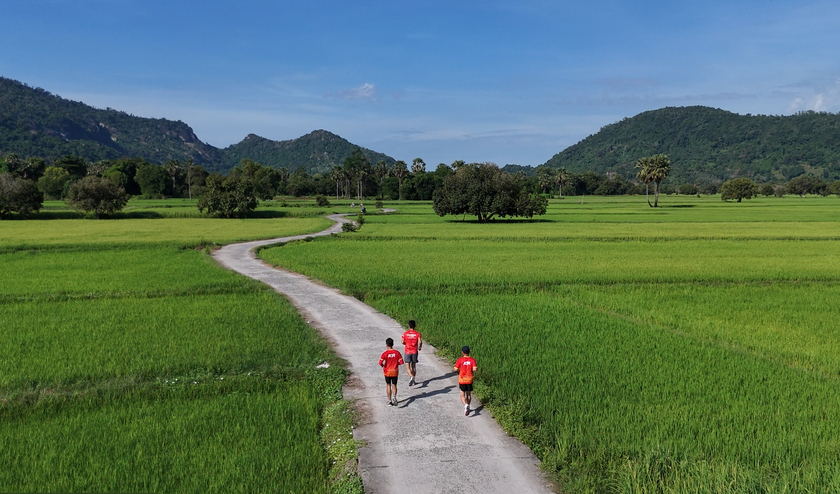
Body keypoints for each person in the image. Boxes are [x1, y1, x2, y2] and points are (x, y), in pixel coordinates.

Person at [379, 337, 404, 406]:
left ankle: (390, 401)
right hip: (395, 371)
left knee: (388, 385)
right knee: (394, 385)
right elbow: (401, 362)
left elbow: (380, 362)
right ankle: (395, 397)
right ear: (393, 344)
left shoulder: (385, 353)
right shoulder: (397, 353)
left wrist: (383, 365)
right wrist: (396, 364)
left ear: (386, 345)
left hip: (387, 372)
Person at [454, 346, 478, 416]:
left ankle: (465, 406)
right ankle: (468, 406)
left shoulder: (460, 360)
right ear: (469, 352)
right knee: (468, 394)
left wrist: (459, 370)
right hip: (469, 379)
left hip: (462, 379)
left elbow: (455, 369)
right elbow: (474, 369)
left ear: (462, 352)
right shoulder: (472, 360)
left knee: (462, 395)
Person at [402, 320, 422, 386]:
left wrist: (406, 343)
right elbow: (420, 342)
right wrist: (419, 347)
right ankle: (413, 380)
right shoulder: (417, 334)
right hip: (414, 351)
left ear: (409, 325)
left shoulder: (405, 333)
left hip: (407, 351)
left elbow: (402, 341)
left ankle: (411, 376)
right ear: (415, 326)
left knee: (407, 367)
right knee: (413, 366)